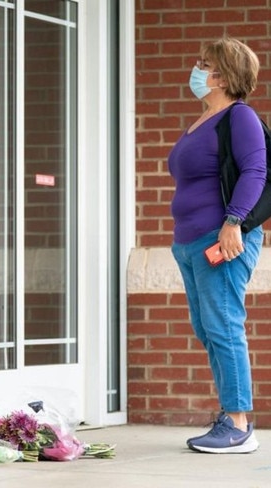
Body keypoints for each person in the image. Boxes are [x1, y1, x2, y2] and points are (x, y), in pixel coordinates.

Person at [168, 37, 266, 454]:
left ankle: (239, 424)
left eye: (203, 64)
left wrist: (234, 222)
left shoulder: (238, 117)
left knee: (224, 327)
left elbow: (255, 170)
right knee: (208, 329)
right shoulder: (202, 121)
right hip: (191, 243)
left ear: (223, 76)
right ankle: (231, 414)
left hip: (220, 238)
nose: (196, 69)